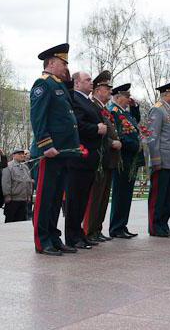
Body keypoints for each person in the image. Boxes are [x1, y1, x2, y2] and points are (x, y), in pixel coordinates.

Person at [30, 43, 80, 256]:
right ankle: (43, 241)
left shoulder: (59, 85)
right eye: (62, 63)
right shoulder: (42, 84)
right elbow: (38, 118)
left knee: (56, 197)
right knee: (45, 198)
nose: (65, 67)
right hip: (49, 152)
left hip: (63, 152)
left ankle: (53, 236)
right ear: (50, 63)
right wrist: (46, 145)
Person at [66, 71, 106, 250]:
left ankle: (79, 233)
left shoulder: (87, 100)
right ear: (76, 83)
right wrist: (96, 128)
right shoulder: (75, 99)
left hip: (90, 157)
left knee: (83, 199)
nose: (91, 82)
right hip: (80, 157)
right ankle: (72, 236)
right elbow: (77, 124)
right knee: (75, 199)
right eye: (87, 80)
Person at [84, 71, 121, 243]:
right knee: (95, 197)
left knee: (104, 197)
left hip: (108, 160)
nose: (110, 92)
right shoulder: (93, 106)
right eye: (107, 88)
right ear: (98, 90)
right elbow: (95, 131)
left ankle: (97, 229)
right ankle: (89, 230)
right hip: (99, 157)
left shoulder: (104, 109)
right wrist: (111, 143)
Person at [146, 80, 170, 237]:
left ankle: (163, 224)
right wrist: (155, 160)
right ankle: (155, 226)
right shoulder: (157, 110)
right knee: (158, 196)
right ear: (166, 94)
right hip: (163, 160)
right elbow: (152, 137)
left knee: (168, 196)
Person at [109, 83, 143, 239]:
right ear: (117, 97)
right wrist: (132, 145)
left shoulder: (126, 113)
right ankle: (116, 227)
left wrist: (135, 107)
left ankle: (122, 225)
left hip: (131, 158)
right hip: (123, 158)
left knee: (127, 193)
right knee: (120, 193)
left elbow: (135, 122)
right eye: (126, 96)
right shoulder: (114, 112)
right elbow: (118, 134)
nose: (129, 99)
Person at [1, 149, 34, 222]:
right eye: (19, 154)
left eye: (23, 154)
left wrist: (29, 195)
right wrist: (7, 195)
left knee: (21, 220)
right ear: (13, 155)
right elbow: (6, 182)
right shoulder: (8, 166)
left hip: (23, 198)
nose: (22, 155)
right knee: (10, 220)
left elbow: (28, 181)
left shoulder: (25, 167)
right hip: (13, 199)